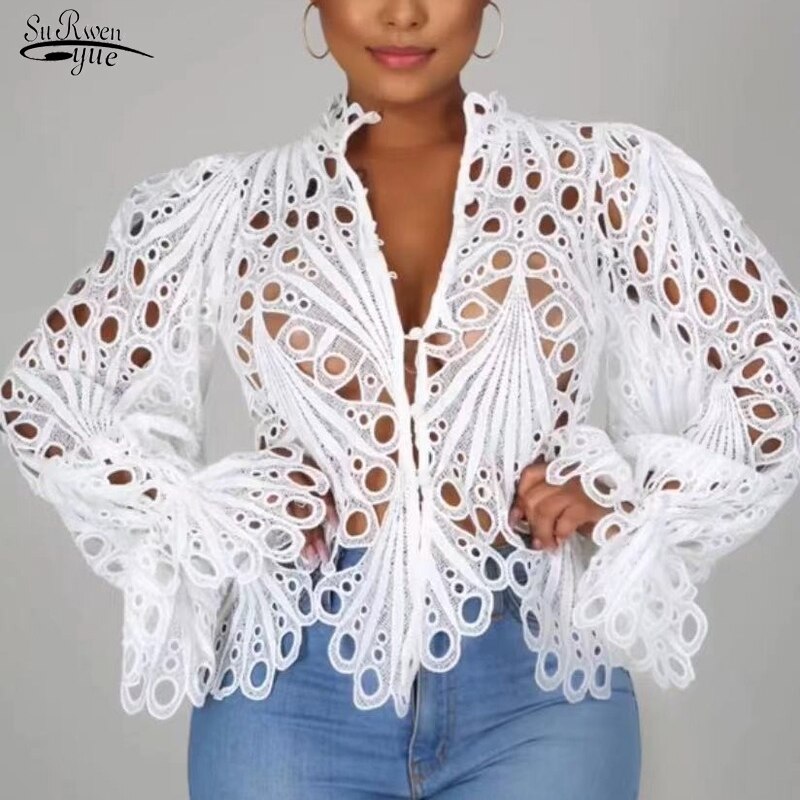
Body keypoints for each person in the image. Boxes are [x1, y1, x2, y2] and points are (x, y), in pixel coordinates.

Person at [2, 1, 798, 798]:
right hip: (287, 691)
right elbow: (47, 398)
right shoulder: (225, 206)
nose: (403, 14)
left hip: (541, 688)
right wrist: (209, 509)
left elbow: (773, 364)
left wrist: (633, 490)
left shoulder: (600, 181)